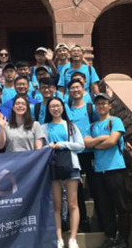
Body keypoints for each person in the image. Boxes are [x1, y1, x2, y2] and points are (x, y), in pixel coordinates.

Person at [85, 93, 129, 248]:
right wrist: (101, 139)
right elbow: (86, 143)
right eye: (98, 104)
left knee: (121, 205)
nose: (101, 106)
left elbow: (112, 141)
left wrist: (96, 145)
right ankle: (110, 236)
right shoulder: (92, 126)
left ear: (109, 106)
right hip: (99, 170)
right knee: (105, 207)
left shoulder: (115, 121)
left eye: (104, 103)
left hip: (115, 168)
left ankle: (123, 238)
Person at [43, 97, 84, 248]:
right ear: (48, 109)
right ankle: (59, 238)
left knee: (73, 204)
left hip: (71, 165)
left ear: (63, 107)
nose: (56, 109)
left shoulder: (71, 125)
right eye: (52, 106)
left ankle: (73, 238)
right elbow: (40, 148)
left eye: (58, 106)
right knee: (56, 204)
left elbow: (80, 145)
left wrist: (61, 144)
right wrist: (49, 146)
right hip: (52, 167)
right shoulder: (44, 127)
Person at [67, 79, 98, 232]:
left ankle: (100, 220)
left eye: (78, 87)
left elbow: (102, 124)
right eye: (72, 88)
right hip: (74, 154)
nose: (75, 90)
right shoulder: (67, 110)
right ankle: (82, 222)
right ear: (69, 92)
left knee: (96, 188)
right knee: (77, 191)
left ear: (83, 89)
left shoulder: (91, 108)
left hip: (91, 153)